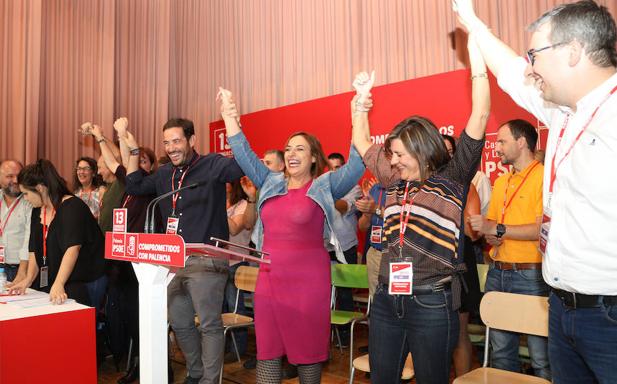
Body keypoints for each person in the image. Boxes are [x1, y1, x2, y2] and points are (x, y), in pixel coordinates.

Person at [453, 1, 617, 382]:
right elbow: (510, 71)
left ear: (573, 51)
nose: (530, 67)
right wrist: (473, 21)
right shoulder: (562, 113)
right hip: (561, 306)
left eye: (535, 54)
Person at [350, 35, 489, 384]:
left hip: (431, 301)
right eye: (391, 154)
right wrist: (360, 102)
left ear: (423, 149)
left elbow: (481, 113)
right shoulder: (393, 176)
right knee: (383, 378)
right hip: (386, 299)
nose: (392, 160)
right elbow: (361, 141)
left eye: (399, 153)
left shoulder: (453, 179)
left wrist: (478, 66)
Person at [218, 86, 365, 383]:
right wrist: (229, 113)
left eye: (300, 148)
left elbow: (358, 162)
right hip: (270, 279)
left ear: (313, 158)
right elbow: (244, 152)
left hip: (310, 283)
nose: (291, 153)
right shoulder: (270, 181)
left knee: (307, 357)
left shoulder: (323, 186)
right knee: (268, 354)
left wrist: (359, 110)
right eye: (287, 148)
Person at [125, 117, 244, 384]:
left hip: (207, 259)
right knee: (180, 323)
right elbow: (134, 185)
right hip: (172, 261)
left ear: (192, 140)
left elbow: (239, 167)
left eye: (177, 141)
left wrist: (232, 121)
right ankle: (196, 372)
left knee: (210, 325)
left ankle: (209, 381)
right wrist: (134, 151)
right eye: (166, 142)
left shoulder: (212, 164)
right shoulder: (165, 173)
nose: (171, 147)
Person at [469, 119, 549, 379]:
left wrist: (499, 230)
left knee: (541, 357)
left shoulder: (543, 178)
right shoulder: (502, 182)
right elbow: (493, 227)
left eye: (502, 141)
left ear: (522, 142)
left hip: (532, 276)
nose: (497, 148)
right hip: (498, 272)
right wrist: (492, 235)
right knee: (501, 354)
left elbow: (542, 230)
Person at [7, 159, 105, 306]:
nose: (25, 199)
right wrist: (27, 280)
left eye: (26, 194)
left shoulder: (71, 207)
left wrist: (59, 283)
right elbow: (34, 249)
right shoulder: (36, 211)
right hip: (60, 279)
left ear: (40, 188)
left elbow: (73, 249)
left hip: (84, 280)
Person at [442, 135, 483, 377]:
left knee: (458, 332)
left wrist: (470, 223)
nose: (445, 155)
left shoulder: (467, 185)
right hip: (428, 267)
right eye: (441, 149)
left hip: (458, 265)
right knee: (426, 333)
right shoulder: (420, 183)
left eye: (450, 151)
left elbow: (474, 233)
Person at [0, 160, 32, 282]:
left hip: (20, 269)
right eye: (9, 176)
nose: (15, 180)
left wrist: (23, 271)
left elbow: (28, 239)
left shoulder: (29, 201)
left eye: (19, 176)